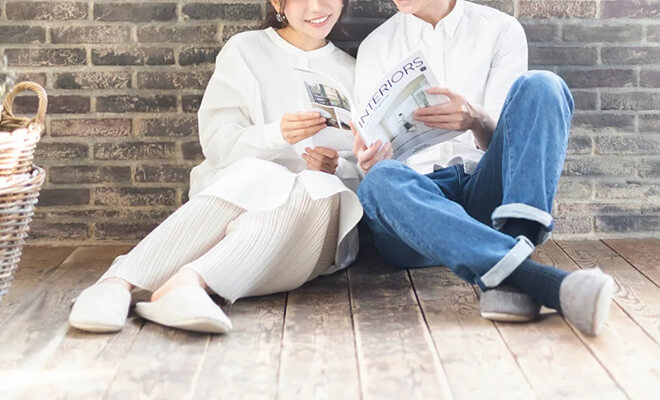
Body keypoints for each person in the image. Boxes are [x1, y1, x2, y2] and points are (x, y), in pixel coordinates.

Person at [68, 0, 362, 334]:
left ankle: (179, 283)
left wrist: (334, 166)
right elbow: (218, 144)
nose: (317, 7)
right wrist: (276, 134)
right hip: (238, 200)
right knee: (265, 174)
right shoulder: (246, 50)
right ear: (277, 2)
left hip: (310, 226)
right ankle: (125, 284)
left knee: (318, 185)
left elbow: (361, 174)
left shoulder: (352, 71)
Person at [352, 0, 614, 335]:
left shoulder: (500, 30)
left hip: (485, 193)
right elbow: (373, 152)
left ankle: (515, 242)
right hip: (418, 211)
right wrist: (371, 160)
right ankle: (537, 280)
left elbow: (514, 145)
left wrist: (476, 119)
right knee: (378, 180)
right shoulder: (375, 46)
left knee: (543, 86)